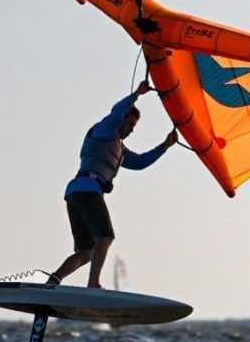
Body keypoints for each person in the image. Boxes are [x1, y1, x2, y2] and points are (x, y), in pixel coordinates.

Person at [46, 80, 177, 288]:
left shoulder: (120, 151)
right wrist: (137, 94)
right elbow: (117, 112)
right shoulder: (105, 131)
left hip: (76, 193)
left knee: (87, 252)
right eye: (130, 124)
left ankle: (53, 281)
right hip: (87, 191)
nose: (131, 130)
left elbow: (140, 162)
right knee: (105, 237)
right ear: (122, 120)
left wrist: (165, 146)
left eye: (134, 126)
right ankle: (93, 284)